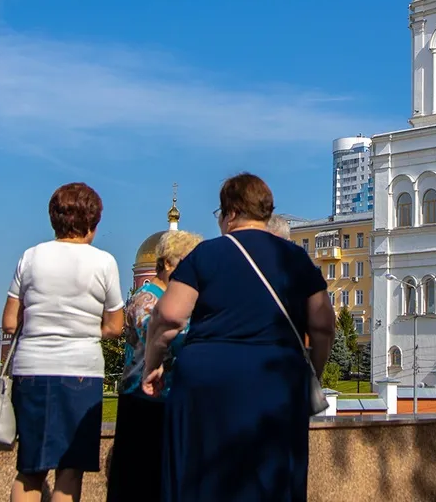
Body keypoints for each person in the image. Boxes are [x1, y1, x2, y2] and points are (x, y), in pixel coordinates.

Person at [143, 173, 336, 502]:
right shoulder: (296, 259)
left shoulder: (205, 255)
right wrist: (312, 373)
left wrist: (153, 363)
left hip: (207, 385)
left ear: (230, 212)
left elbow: (169, 316)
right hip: (276, 382)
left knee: (202, 480)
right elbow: (323, 325)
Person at [3, 183, 125, 502]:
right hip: (81, 370)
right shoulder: (103, 263)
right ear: (94, 221)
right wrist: (85, 330)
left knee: (31, 468)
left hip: (32, 368)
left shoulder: (30, 257)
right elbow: (115, 325)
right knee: (70, 469)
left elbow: (9, 321)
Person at [106, 229, 203, 501]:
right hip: (143, 399)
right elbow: (159, 337)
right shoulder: (147, 298)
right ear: (168, 264)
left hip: (168, 398)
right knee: (141, 480)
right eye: (188, 263)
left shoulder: (178, 300)